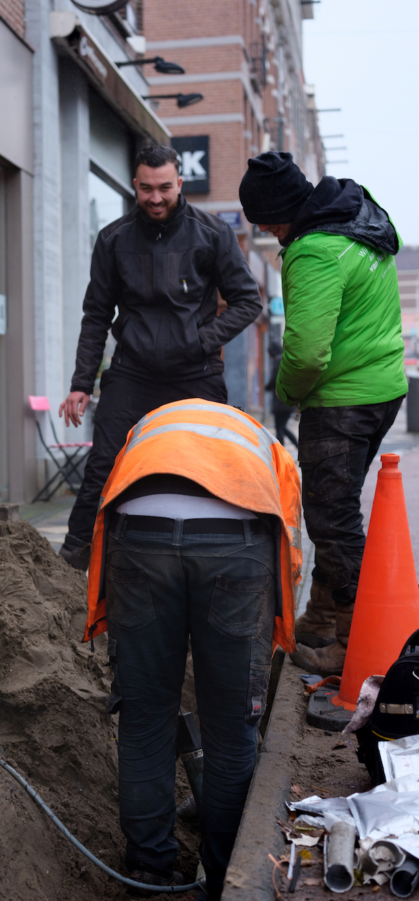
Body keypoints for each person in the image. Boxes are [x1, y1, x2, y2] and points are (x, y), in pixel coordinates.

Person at [82, 398, 302, 899]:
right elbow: (287, 530)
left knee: (145, 720)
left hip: (140, 538)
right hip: (235, 541)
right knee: (229, 729)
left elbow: (111, 492)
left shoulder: (150, 426)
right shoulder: (261, 440)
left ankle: (149, 871)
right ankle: (227, 877)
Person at [239, 152, 407, 674]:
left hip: (341, 401)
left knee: (333, 520)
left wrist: (287, 391)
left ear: (280, 211)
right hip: (382, 389)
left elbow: (308, 352)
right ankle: (318, 615)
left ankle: (352, 640)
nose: (265, 228)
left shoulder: (313, 250)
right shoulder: (361, 224)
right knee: (332, 509)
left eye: (264, 219)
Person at [58, 143, 263, 570]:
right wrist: (81, 383)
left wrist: (201, 340)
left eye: (165, 188)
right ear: (135, 184)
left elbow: (248, 302)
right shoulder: (113, 238)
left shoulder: (212, 233)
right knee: (104, 466)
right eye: (147, 189)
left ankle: (217, 559)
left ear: (180, 182)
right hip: (132, 373)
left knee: (206, 467)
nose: (155, 198)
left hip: (195, 372)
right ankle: (73, 563)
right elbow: (96, 314)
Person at [265, 341, 298, 449]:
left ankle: (281, 452)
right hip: (288, 401)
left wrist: (267, 387)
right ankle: (297, 446)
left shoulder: (278, 360)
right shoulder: (285, 359)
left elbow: (275, 378)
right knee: (282, 427)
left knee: (279, 427)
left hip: (280, 402)